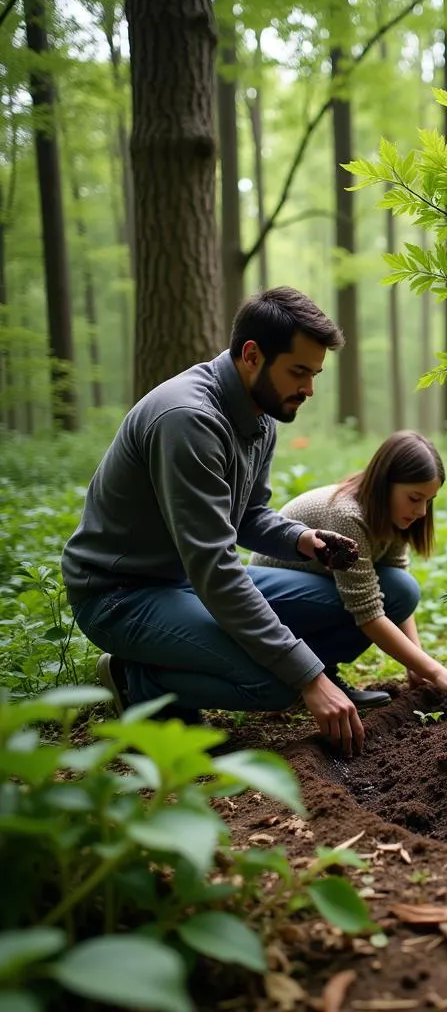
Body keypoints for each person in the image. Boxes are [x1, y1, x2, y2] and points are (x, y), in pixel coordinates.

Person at [62, 287, 388, 756]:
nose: (309, 389)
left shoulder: (262, 413)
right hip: (122, 596)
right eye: (299, 372)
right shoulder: (188, 420)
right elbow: (215, 566)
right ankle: (136, 680)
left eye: (315, 374)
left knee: (381, 597)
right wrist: (308, 675)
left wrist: (302, 539)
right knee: (282, 683)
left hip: (187, 581)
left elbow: (248, 514)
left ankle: (220, 662)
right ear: (252, 355)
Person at [250, 431, 447, 707]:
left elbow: (398, 590)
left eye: (428, 500)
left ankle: (319, 667)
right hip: (265, 599)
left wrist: (416, 661)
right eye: (414, 497)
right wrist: (435, 670)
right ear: (385, 483)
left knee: (401, 587)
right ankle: (293, 671)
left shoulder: (392, 516)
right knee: (393, 593)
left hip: (308, 591)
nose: (422, 511)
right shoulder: (348, 515)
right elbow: (368, 611)